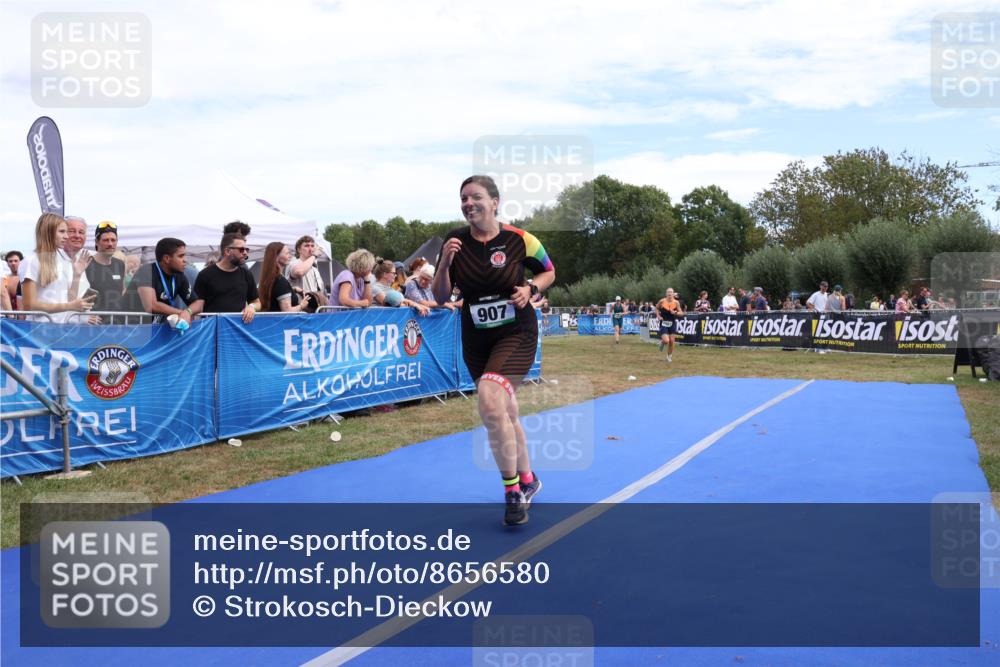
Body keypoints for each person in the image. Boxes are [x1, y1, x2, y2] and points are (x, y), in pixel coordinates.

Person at [433, 175, 555, 526]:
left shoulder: (520, 239)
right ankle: (528, 479)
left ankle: (512, 491)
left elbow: (549, 272)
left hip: (517, 332)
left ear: (495, 202)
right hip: (477, 340)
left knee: (489, 400)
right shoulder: (454, 241)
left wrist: (531, 288)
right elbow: (441, 297)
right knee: (505, 411)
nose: (468, 204)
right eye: (463, 199)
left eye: (476, 197)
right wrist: (445, 263)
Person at [20, 213, 95, 322]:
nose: (66, 236)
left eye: (66, 232)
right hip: (39, 328)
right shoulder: (31, 261)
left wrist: (77, 275)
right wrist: (69, 306)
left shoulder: (64, 260)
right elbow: (29, 305)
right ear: (48, 232)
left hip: (61, 328)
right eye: (62, 231)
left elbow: (70, 299)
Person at [193, 233, 259, 323]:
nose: (245, 253)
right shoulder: (205, 275)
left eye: (247, 249)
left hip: (239, 327)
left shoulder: (246, 274)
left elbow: (257, 302)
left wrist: (251, 307)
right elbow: (197, 306)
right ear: (227, 251)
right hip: (213, 328)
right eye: (241, 249)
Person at [138, 237, 202, 324]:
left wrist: (188, 312)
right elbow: (151, 305)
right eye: (181, 256)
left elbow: (198, 303)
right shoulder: (146, 270)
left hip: (151, 327)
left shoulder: (179, 275)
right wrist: (180, 313)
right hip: (129, 327)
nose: (185, 260)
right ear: (167, 258)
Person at [257, 242, 314, 313]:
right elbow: (287, 311)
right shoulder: (280, 280)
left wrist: (292, 289)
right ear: (276, 257)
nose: (290, 256)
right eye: (287, 253)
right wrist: (302, 305)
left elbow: (276, 292)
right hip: (282, 320)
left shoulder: (269, 278)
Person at [85, 221, 127, 313]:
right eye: (106, 240)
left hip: (117, 319)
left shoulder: (120, 264)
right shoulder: (86, 264)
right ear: (97, 242)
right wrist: (86, 315)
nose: (110, 244)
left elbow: (123, 289)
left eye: (113, 240)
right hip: (95, 320)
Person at [286, 235, 326, 300]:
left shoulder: (314, 269)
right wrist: (314, 255)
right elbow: (298, 272)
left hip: (315, 305)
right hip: (299, 305)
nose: (310, 249)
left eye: (312, 246)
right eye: (307, 246)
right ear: (299, 249)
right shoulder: (293, 263)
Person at [656, 287, 683, 362]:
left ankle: (669, 357)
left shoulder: (676, 302)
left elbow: (681, 313)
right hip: (663, 322)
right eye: (668, 292)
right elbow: (657, 308)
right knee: (666, 340)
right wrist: (658, 316)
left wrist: (675, 313)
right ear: (666, 294)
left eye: (671, 292)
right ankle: (662, 342)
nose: (670, 293)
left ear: (673, 294)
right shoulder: (662, 301)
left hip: (672, 323)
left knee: (671, 341)